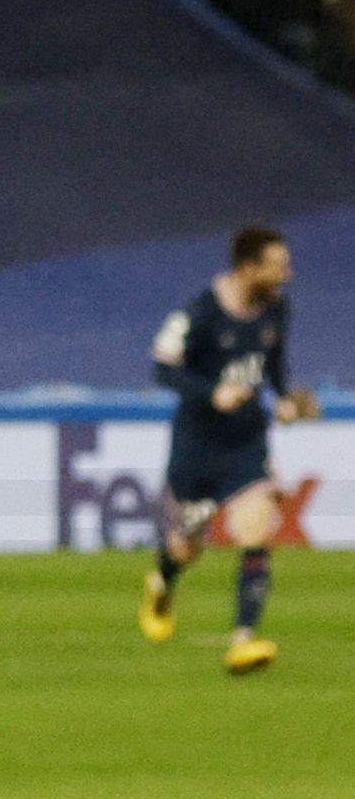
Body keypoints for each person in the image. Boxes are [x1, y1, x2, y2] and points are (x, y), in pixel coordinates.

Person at [142, 223, 317, 673]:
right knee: (187, 547)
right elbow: (162, 367)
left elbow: (274, 365)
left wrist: (284, 399)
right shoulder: (201, 312)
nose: (287, 275)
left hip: (245, 444)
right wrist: (212, 393)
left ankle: (243, 640)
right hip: (197, 449)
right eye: (278, 266)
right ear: (247, 267)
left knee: (257, 529)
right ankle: (162, 583)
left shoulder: (277, 310)